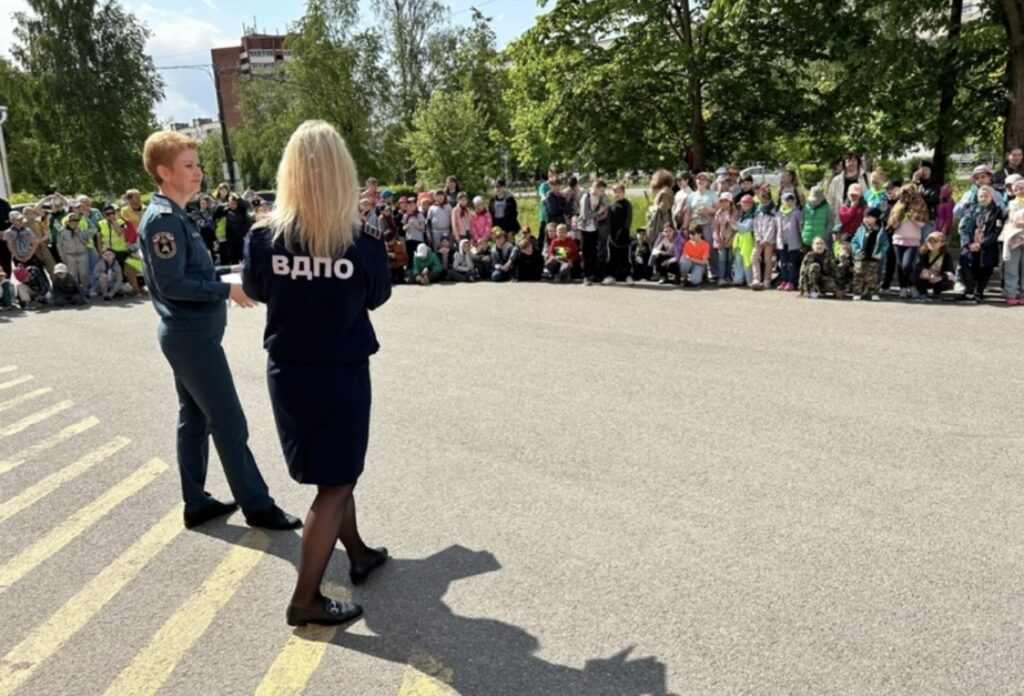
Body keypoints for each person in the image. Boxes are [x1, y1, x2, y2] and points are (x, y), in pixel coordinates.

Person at [242, 120, 390, 627]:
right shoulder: (363, 241)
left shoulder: (263, 238)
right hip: (341, 375)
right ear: (343, 174)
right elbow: (377, 296)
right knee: (337, 481)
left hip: (289, 374)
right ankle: (305, 599)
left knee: (334, 474)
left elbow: (256, 290)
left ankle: (359, 553)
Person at [138, 129, 300, 532]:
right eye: (188, 165)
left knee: (194, 420)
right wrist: (227, 289)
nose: (198, 172)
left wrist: (232, 271)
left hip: (192, 336)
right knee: (229, 422)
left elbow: (194, 271)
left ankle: (196, 503)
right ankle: (257, 506)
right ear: (164, 172)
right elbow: (172, 284)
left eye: (198, 164)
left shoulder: (177, 214)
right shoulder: (163, 220)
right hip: (191, 337)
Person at [959, 185, 1006, 302]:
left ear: (991, 197)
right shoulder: (972, 210)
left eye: (986, 196)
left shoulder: (997, 211)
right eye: (981, 196)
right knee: (966, 263)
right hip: (971, 244)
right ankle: (969, 291)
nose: (983, 198)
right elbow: (964, 228)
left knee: (986, 268)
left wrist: (982, 244)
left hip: (987, 245)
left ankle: (979, 292)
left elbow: (996, 231)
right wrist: (968, 243)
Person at [889, 184, 929, 298]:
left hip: (912, 240)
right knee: (900, 266)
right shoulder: (898, 205)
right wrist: (898, 218)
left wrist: (911, 215)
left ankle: (912, 286)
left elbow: (922, 223)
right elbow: (892, 223)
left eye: (907, 194)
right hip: (898, 239)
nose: (905, 197)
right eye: (903, 194)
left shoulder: (920, 204)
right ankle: (903, 288)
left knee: (906, 265)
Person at [850, 207, 888, 301]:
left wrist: (881, 253)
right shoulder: (861, 229)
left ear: (876, 218)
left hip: (873, 258)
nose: (866, 219)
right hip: (860, 257)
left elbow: (885, 244)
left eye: (869, 217)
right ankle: (857, 292)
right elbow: (854, 241)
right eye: (865, 217)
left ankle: (874, 293)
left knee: (872, 276)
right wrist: (857, 251)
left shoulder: (880, 231)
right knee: (858, 274)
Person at [578, 180, 607, 285]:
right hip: (584, 228)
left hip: (594, 227)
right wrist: (599, 212)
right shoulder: (586, 197)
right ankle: (585, 276)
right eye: (601, 191)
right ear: (595, 188)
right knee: (586, 253)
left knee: (594, 252)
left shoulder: (600, 197)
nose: (603, 193)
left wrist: (604, 210)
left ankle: (593, 274)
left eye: (603, 191)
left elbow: (606, 205)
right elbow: (585, 215)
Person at [999, 180, 1024, 304]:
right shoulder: (1011, 203)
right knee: (1011, 268)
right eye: (1017, 189)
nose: (1020, 191)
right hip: (1014, 238)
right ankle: (1011, 293)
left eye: (1022, 188)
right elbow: (1014, 219)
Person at [751, 185, 779, 290]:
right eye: (762, 200)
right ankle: (756, 279)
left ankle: (767, 280)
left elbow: (772, 226)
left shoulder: (773, 210)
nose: (763, 202)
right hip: (759, 239)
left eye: (765, 200)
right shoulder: (758, 209)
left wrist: (766, 239)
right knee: (754, 257)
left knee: (768, 260)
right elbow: (755, 224)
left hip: (769, 240)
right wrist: (758, 237)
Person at [914, 231, 956, 301]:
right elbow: (918, 266)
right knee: (916, 275)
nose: (932, 244)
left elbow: (950, 272)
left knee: (947, 281)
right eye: (930, 241)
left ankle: (937, 293)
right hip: (927, 277)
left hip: (938, 278)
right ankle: (923, 293)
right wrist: (924, 270)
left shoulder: (946, 256)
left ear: (942, 243)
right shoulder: (923, 253)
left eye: (935, 241)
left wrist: (940, 277)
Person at [605, 183, 633, 284]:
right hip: (612, 236)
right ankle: (611, 276)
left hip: (623, 234)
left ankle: (628, 276)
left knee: (624, 256)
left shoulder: (627, 204)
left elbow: (628, 219)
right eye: (615, 192)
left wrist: (624, 230)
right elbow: (609, 221)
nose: (617, 194)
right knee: (612, 256)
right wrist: (610, 233)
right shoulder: (611, 205)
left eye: (619, 192)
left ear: (623, 192)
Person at [776, 191, 803, 291]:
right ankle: (784, 280)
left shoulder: (797, 212)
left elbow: (800, 227)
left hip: (793, 242)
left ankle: (791, 281)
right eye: (786, 200)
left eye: (791, 200)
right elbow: (776, 228)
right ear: (782, 201)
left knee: (792, 262)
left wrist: (801, 240)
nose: (789, 202)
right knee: (783, 262)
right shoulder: (778, 214)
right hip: (781, 242)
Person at [58, 212, 91, 288]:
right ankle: (76, 290)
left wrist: (78, 234)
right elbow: (60, 245)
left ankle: (85, 289)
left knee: (84, 274)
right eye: (71, 221)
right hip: (70, 255)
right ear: (68, 221)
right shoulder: (62, 232)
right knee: (73, 275)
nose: (74, 222)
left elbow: (86, 242)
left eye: (76, 221)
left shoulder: (82, 230)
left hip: (82, 254)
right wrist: (62, 256)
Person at [732, 194, 757, 287]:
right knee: (738, 260)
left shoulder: (753, 215)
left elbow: (746, 228)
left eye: (744, 204)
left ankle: (749, 280)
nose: (742, 206)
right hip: (739, 240)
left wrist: (736, 223)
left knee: (747, 260)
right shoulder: (742, 215)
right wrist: (732, 223)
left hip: (748, 240)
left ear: (750, 205)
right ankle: (738, 279)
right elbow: (736, 228)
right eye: (742, 204)